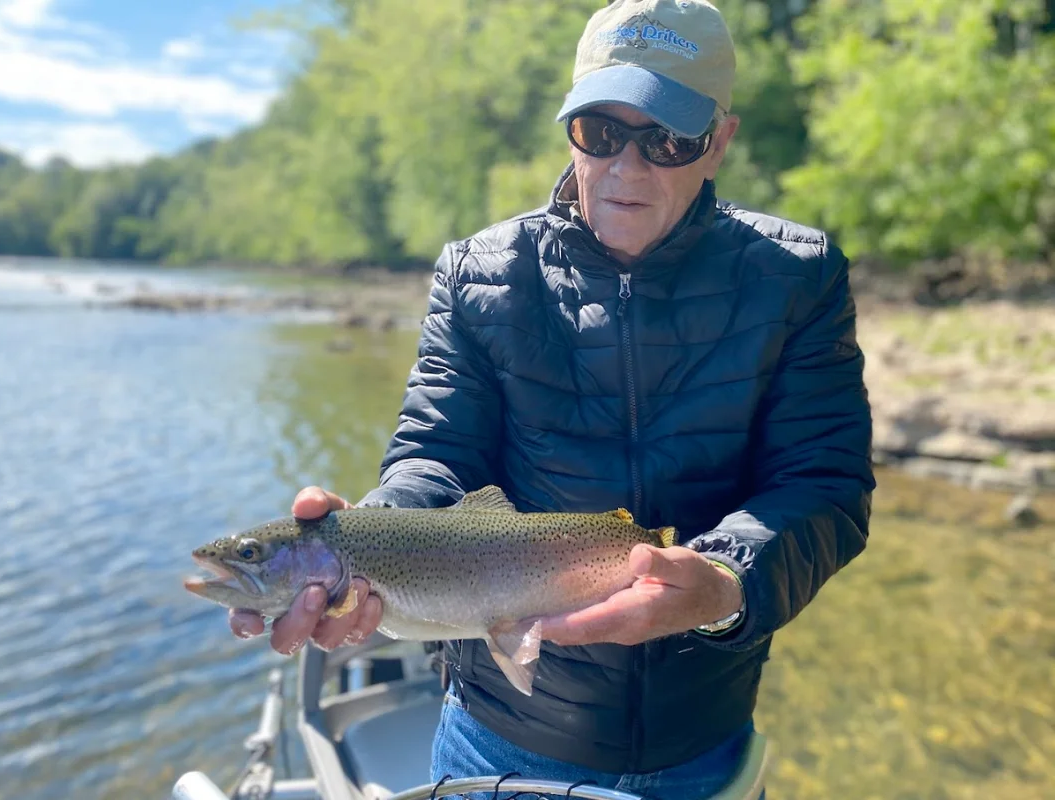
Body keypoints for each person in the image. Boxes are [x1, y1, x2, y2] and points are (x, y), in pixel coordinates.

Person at [230, 0, 875, 797]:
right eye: (601, 133)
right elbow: (437, 456)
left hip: (702, 740)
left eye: (667, 138)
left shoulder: (799, 276)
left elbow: (824, 486)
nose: (626, 168)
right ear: (569, 126)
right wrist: (370, 535)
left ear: (719, 144)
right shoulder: (478, 273)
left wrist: (725, 581)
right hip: (495, 739)